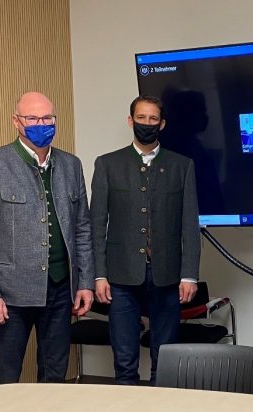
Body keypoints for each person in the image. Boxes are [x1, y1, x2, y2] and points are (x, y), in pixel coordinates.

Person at [0, 91, 95, 385]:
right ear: (16, 121)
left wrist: (85, 282)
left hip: (61, 289)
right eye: (32, 118)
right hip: (10, 295)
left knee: (54, 375)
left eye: (47, 118)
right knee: (4, 377)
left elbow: (82, 229)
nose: (41, 124)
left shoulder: (71, 165)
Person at [90, 96, 201, 385]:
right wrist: (99, 275)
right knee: (124, 361)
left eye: (153, 119)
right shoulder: (108, 164)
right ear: (131, 121)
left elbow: (190, 225)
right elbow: (97, 224)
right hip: (120, 275)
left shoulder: (182, 166)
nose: (147, 124)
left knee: (165, 363)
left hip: (167, 275)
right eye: (141, 118)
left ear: (161, 124)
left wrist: (189, 275)